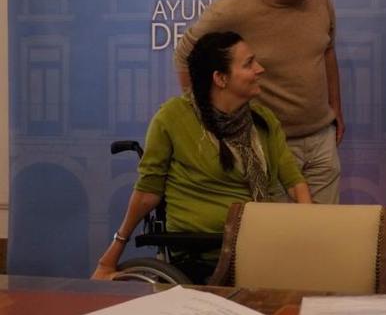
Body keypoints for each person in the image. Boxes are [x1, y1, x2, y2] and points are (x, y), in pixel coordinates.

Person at [92, 32, 312, 283]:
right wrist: (112, 254)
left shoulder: (264, 121)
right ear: (220, 78)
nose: (260, 69)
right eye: (249, 63)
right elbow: (147, 194)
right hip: (202, 255)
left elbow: (295, 183)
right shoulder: (173, 117)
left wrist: (307, 226)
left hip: (265, 248)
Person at [174, 0, 344, 204]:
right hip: (268, 146)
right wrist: (207, 117)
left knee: (323, 236)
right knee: (274, 240)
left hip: (322, 141)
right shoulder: (230, 11)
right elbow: (185, 56)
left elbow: (326, 51)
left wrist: (336, 107)